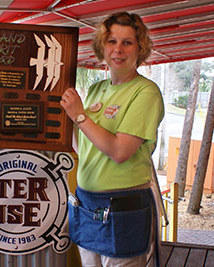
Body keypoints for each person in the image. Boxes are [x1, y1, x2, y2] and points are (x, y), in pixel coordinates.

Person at [61, 12, 164, 266]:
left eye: (127, 42)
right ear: (102, 47)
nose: (118, 50)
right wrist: (63, 116)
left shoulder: (146, 92)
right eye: (112, 41)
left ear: (140, 49)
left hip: (123, 207)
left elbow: (120, 151)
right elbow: (84, 147)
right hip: (87, 203)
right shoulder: (97, 88)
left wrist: (80, 116)